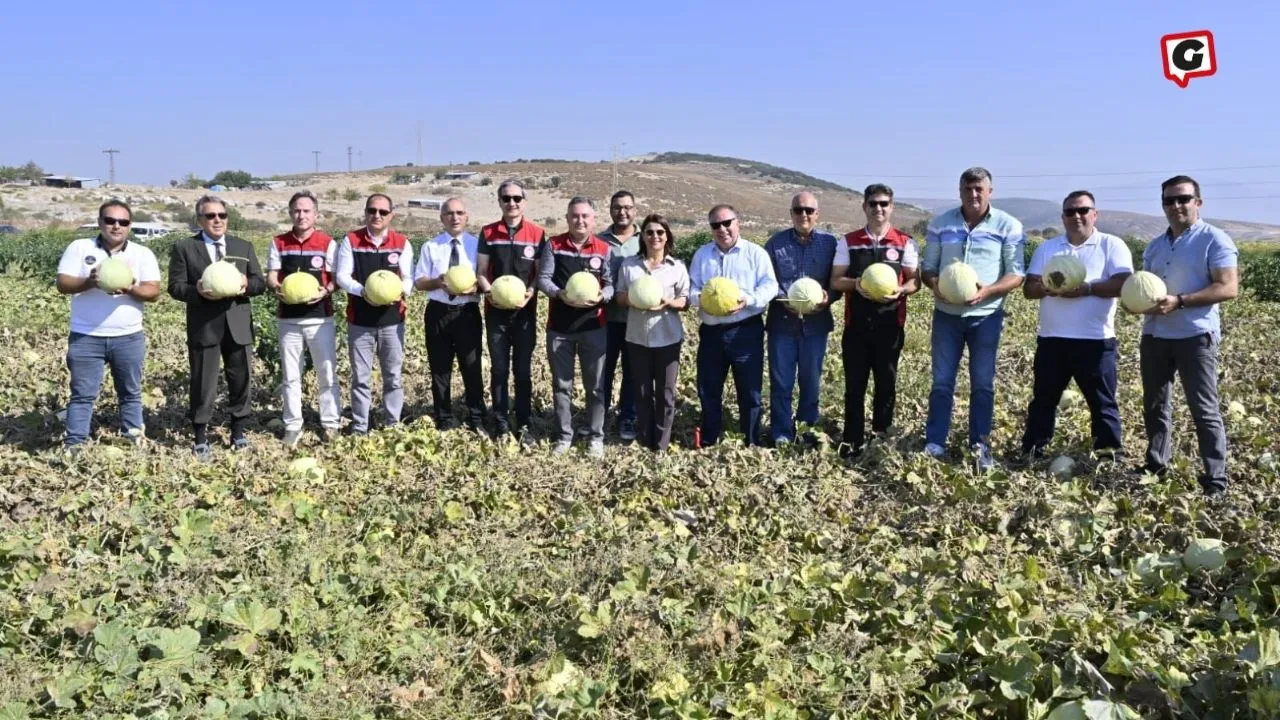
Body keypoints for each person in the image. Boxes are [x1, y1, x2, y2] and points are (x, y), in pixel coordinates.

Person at [1131, 175, 1239, 496]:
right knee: (1155, 405)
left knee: (1204, 409)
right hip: (1155, 335)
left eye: (1184, 199)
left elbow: (1228, 287)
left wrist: (1179, 302)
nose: (1176, 205)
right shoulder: (1155, 245)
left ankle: (1215, 479)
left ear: (1198, 203)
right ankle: (1156, 465)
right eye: (1169, 200)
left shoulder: (1215, 240)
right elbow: (1146, 289)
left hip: (1195, 336)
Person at [920, 167, 1025, 470]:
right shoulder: (941, 224)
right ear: (960, 191)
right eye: (968, 189)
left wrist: (988, 291)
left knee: (982, 384)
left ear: (990, 191)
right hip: (947, 317)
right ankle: (935, 442)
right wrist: (935, 285)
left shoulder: (1009, 225)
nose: (973, 194)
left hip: (986, 316)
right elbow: (928, 268)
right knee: (941, 382)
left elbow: (1016, 273)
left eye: (979, 188)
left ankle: (980, 446)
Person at [1020, 191, 1132, 460]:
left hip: (1095, 341)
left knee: (1102, 403)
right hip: (1052, 339)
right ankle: (1033, 451)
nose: (1077, 216)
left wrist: (1087, 289)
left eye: (1083, 210)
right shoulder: (1048, 248)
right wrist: (1047, 287)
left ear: (1095, 214)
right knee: (1043, 401)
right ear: (1063, 217)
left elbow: (1123, 283)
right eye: (1070, 212)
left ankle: (1108, 455)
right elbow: (1029, 288)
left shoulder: (1111, 245)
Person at [55, 200, 162, 451]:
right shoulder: (80, 247)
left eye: (123, 222)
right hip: (86, 336)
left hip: (128, 336)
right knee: (82, 394)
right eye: (110, 221)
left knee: (131, 392)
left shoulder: (142, 253)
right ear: (100, 222)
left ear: (130, 225)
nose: (116, 226)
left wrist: (132, 288)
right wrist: (91, 282)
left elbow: (154, 291)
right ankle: (75, 443)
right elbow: (63, 284)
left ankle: (133, 437)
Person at [167, 195, 266, 458]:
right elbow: (175, 287)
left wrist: (247, 283)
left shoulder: (242, 246)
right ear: (199, 219)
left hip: (238, 324)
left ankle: (238, 431)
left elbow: (260, 283)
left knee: (240, 379)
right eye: (210, 216)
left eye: (222, 215)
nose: (217, 220)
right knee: (203, 382)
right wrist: (197, 291)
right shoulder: (185, 248)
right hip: (205, 326)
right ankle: (200, 435)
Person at [829, 184, 920, 457]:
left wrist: (901, 290)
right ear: (864, 207)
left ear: (891, 207)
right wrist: (856, 284)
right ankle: (852, 442)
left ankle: (881, 439)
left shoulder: (905, 242)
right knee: (854, 388)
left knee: (886, 386)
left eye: (883, 204)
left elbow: (915, 281)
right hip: (856, 327)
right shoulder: (849, 241)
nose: (878, 209)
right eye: (873, 204)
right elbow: (835, 280)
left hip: (890, 327)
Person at [689, 204, 779, 447]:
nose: (722, 229)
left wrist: (748, 300)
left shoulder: (755, 253)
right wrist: (703, 301)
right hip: (711, 332)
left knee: (750, 391)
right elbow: (691, 288)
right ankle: (709, 439)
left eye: (727, 223)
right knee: (709, 388)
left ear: (738, 223)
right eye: (716, 225)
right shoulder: (702, 255)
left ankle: (751, 440)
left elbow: (770, 286)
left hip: (746, 330)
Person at [536, 196, 614, 457]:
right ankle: (564, 435)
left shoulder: (603, 248)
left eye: (585, 216)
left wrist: (603, 296)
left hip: (594, 326)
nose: (580, 220)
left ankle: (595, 436)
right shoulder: (554, 245)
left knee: (596, 386)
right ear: (567, 218)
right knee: (562, 385)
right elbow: (543, 279)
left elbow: (610, 284)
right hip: (560, 329)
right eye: (574, 216)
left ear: (593, 219)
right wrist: (560, 294)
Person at [265, 191, 341, 446]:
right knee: (290, 376)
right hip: (289, 320)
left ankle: (330, 423)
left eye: (307, 211)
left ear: (316, 215)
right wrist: (277, 288)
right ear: (290, 214)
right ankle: (293, 426)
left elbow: (335, 279)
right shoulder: (279, 242)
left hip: (321, 319)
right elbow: (272, 275)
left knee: (327, 373)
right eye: (297, 210)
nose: (302, 215)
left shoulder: (327, 243)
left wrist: (325, 291)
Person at [334, 193, 414, 435]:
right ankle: (360, 425)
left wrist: (402, 291)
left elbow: (408, 277)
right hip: (360, 320)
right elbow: (342, 276)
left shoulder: (402, 242)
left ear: (391, 215)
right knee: (360, 377)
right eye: (372, 211)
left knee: (393, 376)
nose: (376, 215)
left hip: (393, 320)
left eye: (382, 212)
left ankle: (392, 424)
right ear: (366, 212)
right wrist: (363, 292)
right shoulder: (351, 240)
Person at [764, 191, 838, 446]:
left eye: (809, 210)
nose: (803, 215)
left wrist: (829, 297)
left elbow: (836, 282)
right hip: (782, 325)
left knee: (811, 383)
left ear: (817, 214)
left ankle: (807, 431)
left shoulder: (831, 244)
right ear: (791, 213)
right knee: (781, 383)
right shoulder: (775, 244)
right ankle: (782, 433)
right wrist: (787, 301)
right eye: (798, 210)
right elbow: (766, 282)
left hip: (816, 326)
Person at [476, 180, 546, 442]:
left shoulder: (537, 234)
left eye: (517, 198)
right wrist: (489, 292)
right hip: (496, 311)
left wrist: (530, 292)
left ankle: (524, 422)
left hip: (525, 312)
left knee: (523, 370)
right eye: (506, 198)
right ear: (500, 202)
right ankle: (502, 422)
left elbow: (539, 274)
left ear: (524, 202)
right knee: (499, 369)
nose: (512, 203)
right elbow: (481, 272)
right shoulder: (488, 232)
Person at [614, 213, 690, 452]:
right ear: (643, 236)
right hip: (637, 338)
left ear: (667, 236)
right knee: (642, 391)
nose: (654, 236)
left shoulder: (677, 267)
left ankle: (661, 444)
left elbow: (685, 301)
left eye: (660, 232)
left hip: (668, 338)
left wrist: (668, 302)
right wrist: (634, 300)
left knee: (666, 393)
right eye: (649, 232)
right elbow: (619, 297)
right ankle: (645, 439)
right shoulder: (629, 266)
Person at [413, 197, 486, 431]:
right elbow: (419, 282)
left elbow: (486, 279)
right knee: (440, 368)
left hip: (467, 311)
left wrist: (476, 288)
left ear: (467, 217)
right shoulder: (431, 246)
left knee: (472, 366)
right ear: (441, 218)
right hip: (438, 312)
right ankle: (444, 418)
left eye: (459, 213)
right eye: (449, 213)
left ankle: (477, 417)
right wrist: (437, 282)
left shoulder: (478, 246)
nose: (454, 218)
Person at [598, 190, 642, 441]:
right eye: (617, 207)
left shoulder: (645, 238)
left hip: (636, 318)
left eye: (627, 207)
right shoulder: (600, 239)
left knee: (632, 371)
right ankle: (599, 416)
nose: (622, 212)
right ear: (610, 210)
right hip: (605, 318)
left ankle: (628, 417)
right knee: (603, 371)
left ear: (634, 210)